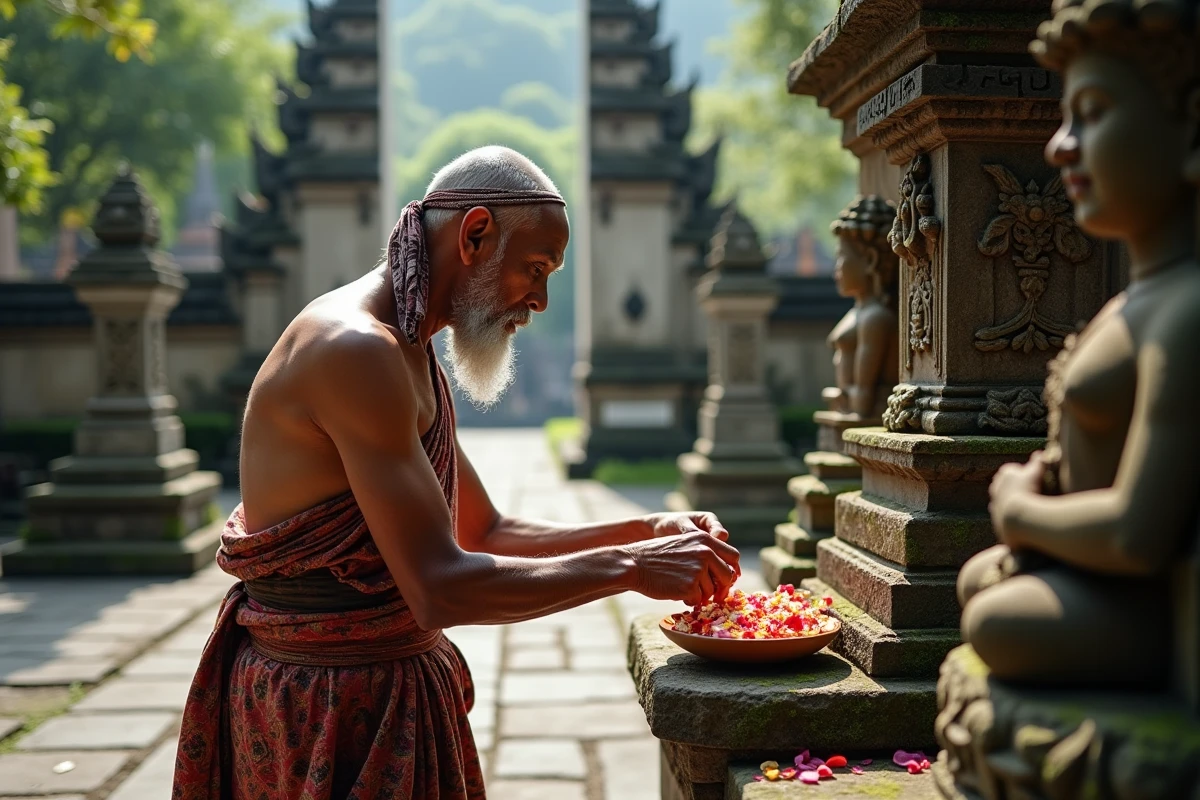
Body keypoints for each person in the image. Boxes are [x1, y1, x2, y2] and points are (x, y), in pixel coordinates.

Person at [172, 146, 741, 799]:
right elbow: (439, 589)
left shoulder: (409, 348)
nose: (543, 299)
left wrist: (647, 531)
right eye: (535, 268)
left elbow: (486, 529)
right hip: (324, 704)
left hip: (385, 688)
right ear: (474, 235)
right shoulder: (357, 350)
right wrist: (632, 569)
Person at [957, 0, 1200, 688]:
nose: (1058, 146)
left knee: (995, 622)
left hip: (1146, 600)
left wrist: (1022, 513)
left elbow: (1138, 532)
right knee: (981, 585)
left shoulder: (1186, 312)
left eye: (1091, 114)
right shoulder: (1134, 300)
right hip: (1084, 570)